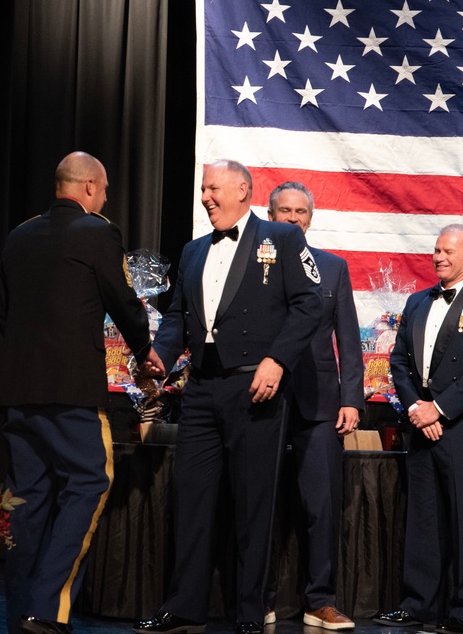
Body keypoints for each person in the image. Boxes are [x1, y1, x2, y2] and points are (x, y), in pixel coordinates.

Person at [134, 160, 322, 634]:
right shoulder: (193, 250)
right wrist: (160, 354)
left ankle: (249, 611)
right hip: (200, 389)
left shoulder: (281, 239)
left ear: (242, 189)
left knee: (253, 503)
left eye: (213, 188)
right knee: (192, 499)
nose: (205, 197)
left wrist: (278, 359)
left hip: (254, 389)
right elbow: (177, 316)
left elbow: (310, 303)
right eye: (202, 189)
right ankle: (184, 606)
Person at [0, 151, 154, 634]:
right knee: (90, 482)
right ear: (88, 188)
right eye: (103, 190)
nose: (104, 198)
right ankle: (49, 608)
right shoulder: (98, 232)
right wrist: (145, 350)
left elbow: (3, 314)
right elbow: (123, 301)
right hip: (71, 393)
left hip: (18, 392)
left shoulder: (17, 236)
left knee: (27, 498)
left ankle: (20, 611)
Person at [376, 224, 463, 634]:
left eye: (449, 251)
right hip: (422, 423)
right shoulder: (417, 302)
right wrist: (418, 408)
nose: (440, 257)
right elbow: (398, 361)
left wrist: (440, 409)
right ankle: (420, 605)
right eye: (436, 250)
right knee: (424, 518)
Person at [264, 182, 363, 630]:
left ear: (310, 217)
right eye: (284, 210)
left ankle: (319, 599)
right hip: (261, 398)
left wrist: (351, 399)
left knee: (321, 505)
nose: (293, 218)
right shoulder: (253, 263)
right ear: (270, 215)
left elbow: (348, 337)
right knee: (260, 502)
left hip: (320, 401)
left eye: (300, 211)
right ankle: (257, 597)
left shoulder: (333, 267)